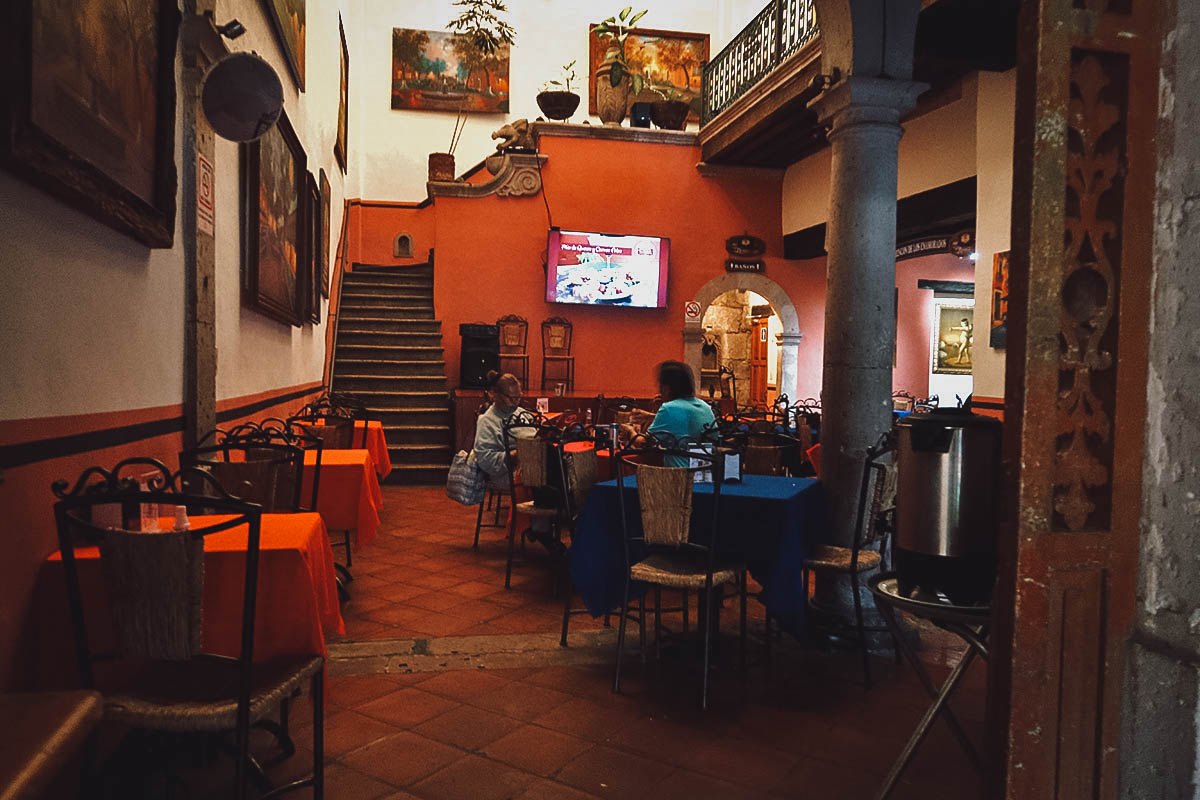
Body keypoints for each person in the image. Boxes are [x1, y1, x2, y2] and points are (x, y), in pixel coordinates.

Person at [472, 371, 558, 550]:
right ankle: (542, 525)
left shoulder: (523, 413)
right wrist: (518, 453)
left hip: (532, 464)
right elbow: (486, 459)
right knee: (549, 474)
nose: (516, 403)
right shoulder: (487, 421)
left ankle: (555, 517)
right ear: (495, 395)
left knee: (562, 462)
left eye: (519, 397)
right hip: (506, 471)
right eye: (512, 398)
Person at [624, 361, 716, 467]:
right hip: (703, 473)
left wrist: (630, 432)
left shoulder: (669, 409)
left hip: (677, 476)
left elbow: (645, 444)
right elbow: (685, 423)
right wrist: (652, 415)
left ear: (666, 388)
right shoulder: (704, 406)